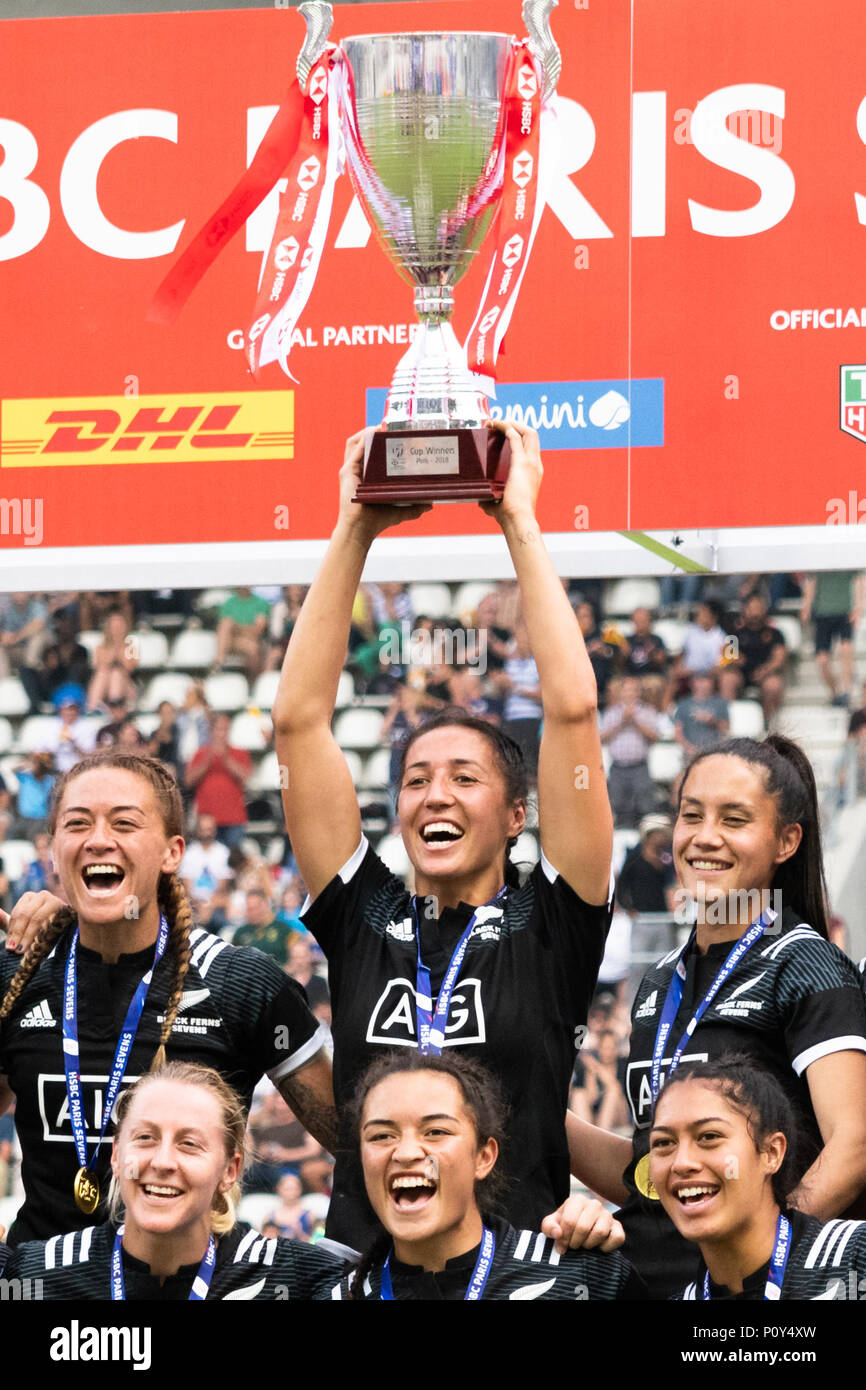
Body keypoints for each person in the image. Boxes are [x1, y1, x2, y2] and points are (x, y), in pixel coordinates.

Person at [275, 421, 614, 1250]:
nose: (436, 794)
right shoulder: (363, 913)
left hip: (517, 1274)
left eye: (466, 778)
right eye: (417, 780)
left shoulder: (553, 921)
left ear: (516, 815)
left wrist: (518, 522)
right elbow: (297, 722)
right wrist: (354, 524)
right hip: (370, 1267)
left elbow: (571, 712)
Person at [563, 734, 866, 1298]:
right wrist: (537, 1110)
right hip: (653, 1280)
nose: (705, 838)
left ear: (786, 841)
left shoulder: (806, 963)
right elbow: (647, 1171)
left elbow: (855, 1144)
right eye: (691, 815)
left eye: (734, 820)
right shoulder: (659, 982)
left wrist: (764, 1261)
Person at [0, 750, 334, 1245]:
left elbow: (350, 1141)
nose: (97, 840)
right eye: (77, 824)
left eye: (124, 823)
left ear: (172, 852)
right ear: (52, 851)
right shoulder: (17, 974)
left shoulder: (241, 983)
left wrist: (348, 1252)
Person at [0, 1063, 343, 1299]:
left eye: (189, 1144)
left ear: (230, 1170)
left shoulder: (298, 1278)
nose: (162, 1162)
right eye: (146, 1137)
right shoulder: (38, 1274)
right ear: (117, 1156)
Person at [331, 1049, 643, 1300]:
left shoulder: (584, 1277)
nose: (407, 1152)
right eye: (381, 1136)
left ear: (484, 1156)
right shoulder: (337, 1293)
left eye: (435, 1131)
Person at [650, 1058, 866, 1301]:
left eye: (709, 1136)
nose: (682, 1163)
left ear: (771, 1153)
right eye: (663, 1142)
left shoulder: (856, 1256)